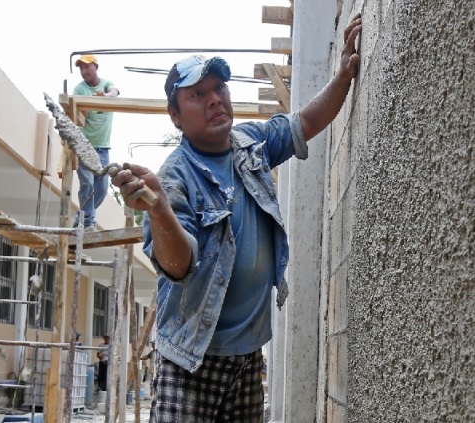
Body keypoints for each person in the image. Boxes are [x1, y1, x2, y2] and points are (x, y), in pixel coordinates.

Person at [110, 15, 362, 423]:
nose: (215, 99)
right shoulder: (174, 179)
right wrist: (158, 208)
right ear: (175, 115)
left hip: (247, 357)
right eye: (198, 94)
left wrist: (344, 75)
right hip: (191, 360)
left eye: (219, 88)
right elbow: (178, 265)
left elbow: (305, 122)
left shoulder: (251, 144)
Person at [73, 54, 120, 232]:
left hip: (103, 147)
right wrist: (90, 103)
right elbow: (79, 116)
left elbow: (114, 93)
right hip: (85, 145)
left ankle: (80, 218)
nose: (84, 71)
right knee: (88, 183)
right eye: (81, 68)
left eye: (87, 67)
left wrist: (103, 97)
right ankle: (89, 223)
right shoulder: (80, 89)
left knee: (101, 188)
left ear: (96, 67)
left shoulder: (106, 84)